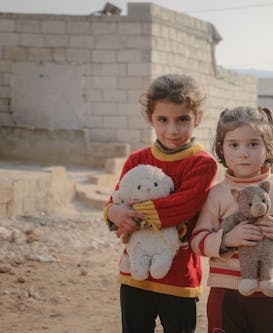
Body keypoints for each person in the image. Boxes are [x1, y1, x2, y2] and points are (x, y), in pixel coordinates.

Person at [104, 74, 217, 333]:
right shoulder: (136, 159)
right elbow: (117, 199)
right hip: (134, 272)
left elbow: (183, 205)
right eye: (163, 120)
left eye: (183, 120)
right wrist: (113, 211)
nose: (172, 130)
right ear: (149, 118)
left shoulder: (202, 164)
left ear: (197, 118)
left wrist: (127, 213)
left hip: (179, 275)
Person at [190, 106, 273, 333]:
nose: (243, 153)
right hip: (225, 292)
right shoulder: (217, 193)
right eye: (234, 145)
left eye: (253, 144)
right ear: (221, 148)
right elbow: (197, 239)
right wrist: (226, 239)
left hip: (270, 291)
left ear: (268, 148)